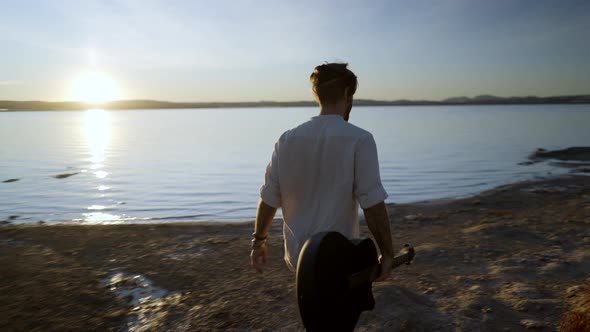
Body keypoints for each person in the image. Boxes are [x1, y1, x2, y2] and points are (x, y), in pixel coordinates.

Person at [250, 62, 394, 281]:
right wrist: (388, 253)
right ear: (347, 94)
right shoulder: (360, 139)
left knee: (313, 314)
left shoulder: (287, 140)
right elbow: (373, 204)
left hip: (301, 262)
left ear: (318, 95)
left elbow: (269, 199)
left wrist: (258, 242)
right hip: (339, 259)